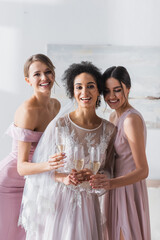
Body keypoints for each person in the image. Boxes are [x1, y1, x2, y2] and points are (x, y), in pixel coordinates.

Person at [19, 61, 116, 240]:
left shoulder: (110, 130)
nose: (84, 92)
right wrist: (64, 178)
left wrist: (98, 178)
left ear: (99, 91)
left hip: (89, 205)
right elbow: (38, 172)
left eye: (90, 86)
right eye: (78, 87)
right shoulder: (59, 125)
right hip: (60, 205)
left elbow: (109, 170)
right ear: (73, 91)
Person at [0, 54, 66, 240]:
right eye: (37, 74)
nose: (44, 78)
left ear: (53, 75)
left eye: (48, 72)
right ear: (28, 80)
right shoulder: (28, 111)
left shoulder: (56, 105)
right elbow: (22, 166)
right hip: (11, 183)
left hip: (36, 182)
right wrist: (50, 166)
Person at [90, 66, 151, 240]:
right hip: (114, 187)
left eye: (117, 90)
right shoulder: (113, 117)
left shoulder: (130, 120)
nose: (111, 97)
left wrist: (111, 184)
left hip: (128, 190)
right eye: (107, 91)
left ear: (128, 88)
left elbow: (143, 170)